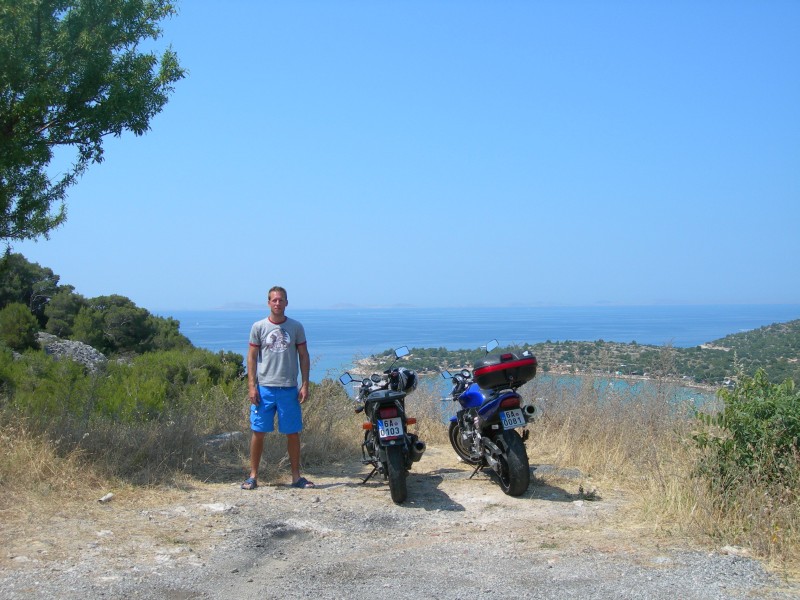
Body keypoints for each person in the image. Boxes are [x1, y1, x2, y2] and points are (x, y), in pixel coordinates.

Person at [242, 286, 313, 490]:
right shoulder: (258, 327)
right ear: (268, 303)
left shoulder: (296, 327)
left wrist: (305, 384)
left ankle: (296, 477)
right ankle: (253, 476)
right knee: (258, 432)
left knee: (292, 433)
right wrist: (251, 386)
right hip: (264, 389)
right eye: (274, 300)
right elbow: (251, 357)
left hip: (288, 389)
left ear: (286, 303)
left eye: (281, 300)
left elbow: (304, 356)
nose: (277, 303)